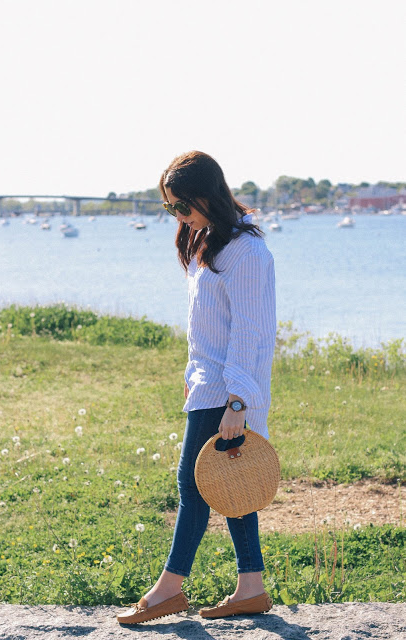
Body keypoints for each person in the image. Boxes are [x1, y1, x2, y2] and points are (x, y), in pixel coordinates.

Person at [117, 151, 276, 625]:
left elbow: (251, 332)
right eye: (170, 209)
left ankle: (168, 591)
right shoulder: (210, 240)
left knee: (194, 486)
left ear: (207, 195)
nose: (178, 217)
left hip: (226, 389)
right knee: (231, 482)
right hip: (207, 384)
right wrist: (193, 377)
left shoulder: (248, 252)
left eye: (181, 207)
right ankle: (252, 588)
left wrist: (237, 400)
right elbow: (208, 328)